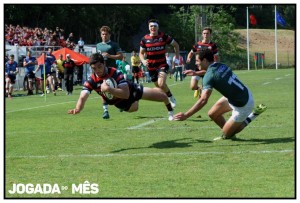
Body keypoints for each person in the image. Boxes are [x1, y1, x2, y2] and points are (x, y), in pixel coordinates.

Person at [174, 50, 267, 140]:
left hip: (243, 104)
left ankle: (253, 114)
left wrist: (186, 115)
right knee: (212, 114)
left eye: (197, 61)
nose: (196, 63)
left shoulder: (209, 76)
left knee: (227, 135)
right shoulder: (220, 65)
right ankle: (229, 128)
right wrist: (196, 73)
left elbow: (203, 100)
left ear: (205, 60)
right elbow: (212, 73)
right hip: (241, 94)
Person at [67, 53, 174, 121]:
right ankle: (147, 94)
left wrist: (108, 89)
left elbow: (126, 94)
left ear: (104, 64)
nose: (97, 70)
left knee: (162, 96)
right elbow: (82, 97)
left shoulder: (115, 72)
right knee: (135, 108)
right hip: (120, 103)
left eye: (99, 66)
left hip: (132, 91)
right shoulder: (91, 80)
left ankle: (170, 112)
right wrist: (78, 108)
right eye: (94, 68)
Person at [139, 19, 179, 108]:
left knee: (161, 84)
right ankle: (167, 98)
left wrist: (177, 57)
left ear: (158, 27)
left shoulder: (164, 37)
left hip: (162, 65)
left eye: (155, 26)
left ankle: (171, 97)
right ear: (149, 28)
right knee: (159, 88)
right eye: (151, 26)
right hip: (151, 67)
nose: (153, 28)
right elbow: (141, 53)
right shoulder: (144, 39)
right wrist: (143, 60)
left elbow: (176, 45)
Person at [96, 25, 123, 119]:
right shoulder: (98, 45)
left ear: (109, 35)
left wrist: (110, 56)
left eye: (106, 34)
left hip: (112, 71)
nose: (104, 36)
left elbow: (120, 56)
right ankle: (105, 111)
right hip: (102, 72)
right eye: (102, 34)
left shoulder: (114, 44)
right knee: (102, 90)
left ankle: (120, 103)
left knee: (115, 89)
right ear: (100, 35)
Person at [185, 27, 219, 98]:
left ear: (210, 35)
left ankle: (200, 100)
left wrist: (216, 65)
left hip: (207, 70)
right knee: (192, 87)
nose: (205, 35)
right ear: (202, 35)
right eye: (204, 33)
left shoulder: (213, 45)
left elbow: (216, 57)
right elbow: (191, 53)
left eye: (207, 33)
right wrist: (188, 58)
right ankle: (198, 88)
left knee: (204, 93)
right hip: (197, 68)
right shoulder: (197, 44)